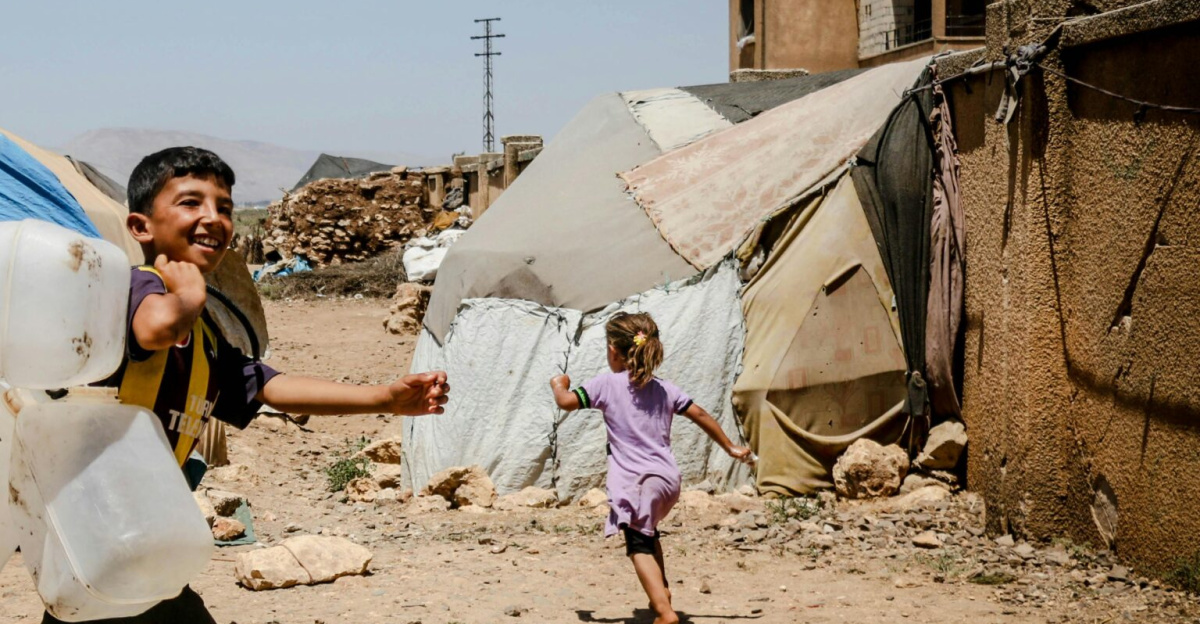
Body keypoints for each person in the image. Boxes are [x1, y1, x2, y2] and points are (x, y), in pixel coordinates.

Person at [41, 146, 449, 624]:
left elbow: (271, 387)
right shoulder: (137, 286)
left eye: (225, 208)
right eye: (190, 202)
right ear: (140, 226)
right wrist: (190, 291)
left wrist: (383, 398)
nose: (213, 218)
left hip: (142, 537)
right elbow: (153, 329)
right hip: (100, 531)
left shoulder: (204, 337)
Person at [550, 312, 751, 624]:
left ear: (613, 351)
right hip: (668, 480)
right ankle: (663, 593)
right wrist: (730, 446)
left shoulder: (607, 384)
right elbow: (699, 413)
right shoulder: (665, 389)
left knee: (637, 544)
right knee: (648, 533)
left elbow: (565, 401)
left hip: (637, 481)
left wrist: (558, 384)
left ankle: (664, 612)